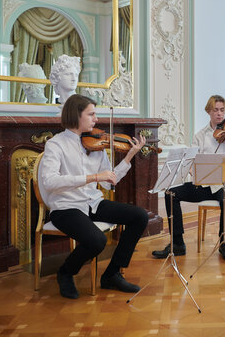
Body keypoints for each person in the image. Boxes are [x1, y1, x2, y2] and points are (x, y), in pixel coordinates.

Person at [38, 94, 149, 299]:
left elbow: (108, 181)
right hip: (66, 207)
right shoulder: (56, 145)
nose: (96, 119)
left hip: (93, 203)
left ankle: (112, 274)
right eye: (91, 114)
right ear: (76, 116)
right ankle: (65, 272)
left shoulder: (95, 143)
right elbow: (49, 181)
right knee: (97, 241)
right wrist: (92, 177)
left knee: (140, 216)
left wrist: (129, 156)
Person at [151, 95, 225, 262]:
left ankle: (224, 242)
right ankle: (177, 244)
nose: (219, 114)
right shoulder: (200, 136)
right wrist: (192, 170)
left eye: (222, 110)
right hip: (206, 185)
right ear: (209, 112)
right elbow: (192, 160)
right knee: (170, 194)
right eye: (215, 110)